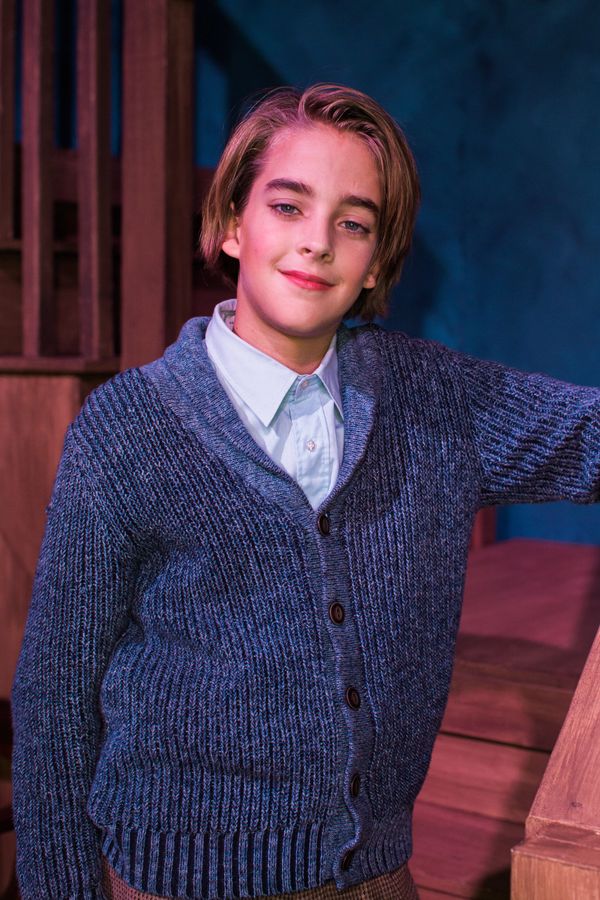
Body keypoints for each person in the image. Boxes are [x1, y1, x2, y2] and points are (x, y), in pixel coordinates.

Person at [11, 83, 600, 900]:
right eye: (287, 206)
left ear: (375, 264)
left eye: (353, 224)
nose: (317, 242)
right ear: (232, 225)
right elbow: (56, 698)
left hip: (376, 878)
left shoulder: (435, 402)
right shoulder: (128, 430)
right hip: (180, 884)